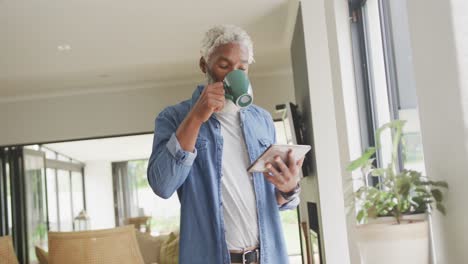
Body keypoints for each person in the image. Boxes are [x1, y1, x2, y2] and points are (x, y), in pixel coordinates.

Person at [147, 25, 304, 264]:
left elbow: (269, 200)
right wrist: (197, 116)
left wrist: (289, 187)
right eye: (224, 66)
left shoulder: (262, 120)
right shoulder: (174, 118)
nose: (235, 73)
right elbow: (162, 185)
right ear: (204, 65)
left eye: (242, 67)